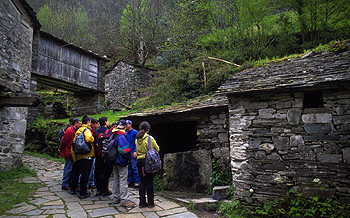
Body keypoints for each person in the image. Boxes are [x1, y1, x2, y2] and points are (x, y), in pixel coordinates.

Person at [69, 116, 95, 199]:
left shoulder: (78, 130)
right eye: (90, 122)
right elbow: (88, 139)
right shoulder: (86, 130)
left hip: (78, 155)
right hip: (86, 155)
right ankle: (83, 192)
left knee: (76, 172)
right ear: (88, 122)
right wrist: (92, 139)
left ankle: (72, 189)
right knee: (85, 174)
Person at [136, 121, 160, 208]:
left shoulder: (137, 138)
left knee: (142, 182)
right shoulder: (149, 138)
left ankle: (142, 202)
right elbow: (157, 149)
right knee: (149, 182)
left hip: (139, 162)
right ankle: (150, 202)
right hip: (148, 162)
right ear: (148, 129)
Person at [111, 120, 134, 208]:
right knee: (123, 180)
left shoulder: (113, 134)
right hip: (121, 161)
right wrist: (129, 157)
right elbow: (123, 150)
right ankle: (125, 200)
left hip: (113, 160)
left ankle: (116, 198)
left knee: (116, 179)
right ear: (124, 127)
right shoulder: (121, 136)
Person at [58, 118, 81, 190]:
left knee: (73, 168)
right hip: (68, 151)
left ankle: (71, 182)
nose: (80, 125)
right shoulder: (69, 130)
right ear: (75, 123)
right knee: (68, 168)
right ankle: (65, 183)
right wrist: (61, 148)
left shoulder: (75, 130)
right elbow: (64, 141)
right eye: (79, 123)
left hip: (73, 152)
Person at [94, 117, 113, 196]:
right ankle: (105, 189)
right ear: (105, 122)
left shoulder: (96, 132)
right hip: (106, 156)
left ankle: (98, 189)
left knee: (98, 171)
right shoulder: (108, 132)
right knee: (106, 172)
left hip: (98, 155)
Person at [125, 120, 139, 187]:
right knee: (129, 168)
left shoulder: (135, 132)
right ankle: (130, 181)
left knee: (134, 167)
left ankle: (137, 181)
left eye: (126, 124)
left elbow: (137, 142)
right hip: (128, 152)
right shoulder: (126, 133)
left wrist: (135, 151)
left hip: (133, 152)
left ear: (130, 124)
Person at [87, 117, 99, 189]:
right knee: (91, 168)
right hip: (90, 153)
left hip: (91, 153)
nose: (98, 126)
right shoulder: (90, 132)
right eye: (97, 124)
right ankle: (89, 182)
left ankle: (90, 182)